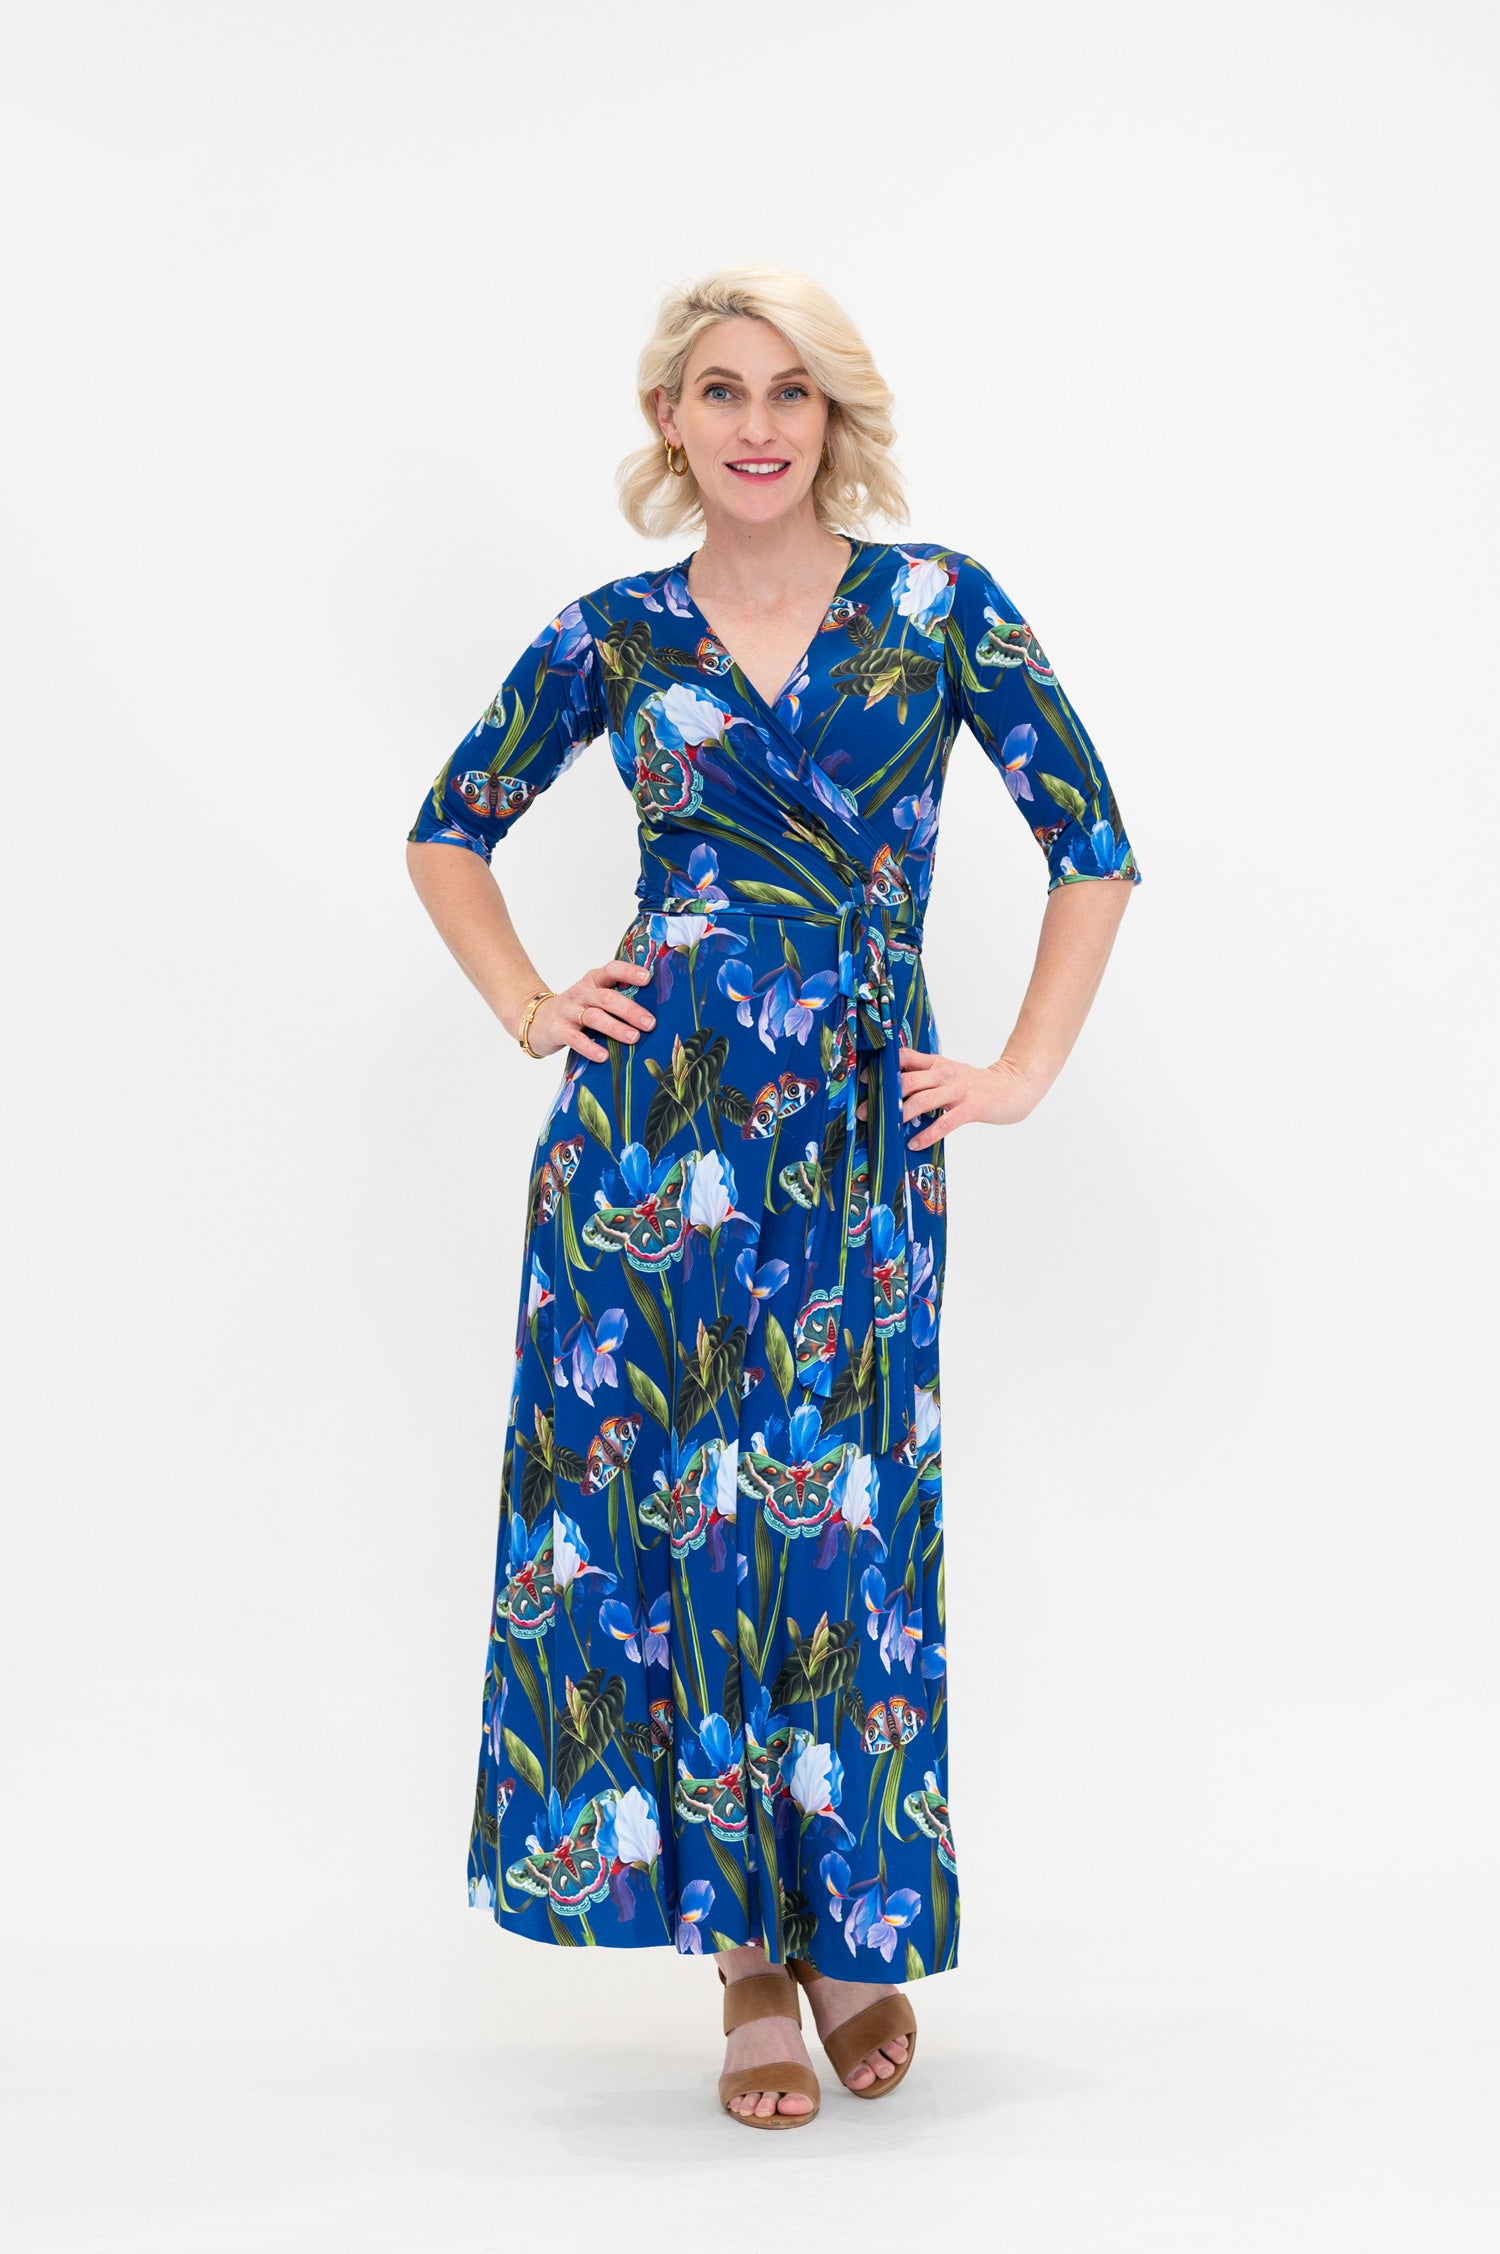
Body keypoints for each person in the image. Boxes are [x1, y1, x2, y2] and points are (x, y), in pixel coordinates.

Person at [405, 262, 1141, 2130]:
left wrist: (1022, 1065)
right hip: (648, 1145)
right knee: (682, 1529)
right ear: (671, 419)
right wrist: (533, 1002)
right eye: (721, 390)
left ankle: (846, 1925)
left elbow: (1094, 843)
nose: (756, 425)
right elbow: (448, 829)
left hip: (857, 1142)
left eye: (790, 392)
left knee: (841, 1529)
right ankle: (746, 1958)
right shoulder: (613, 635)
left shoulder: (938, 606)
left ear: (834, 418)